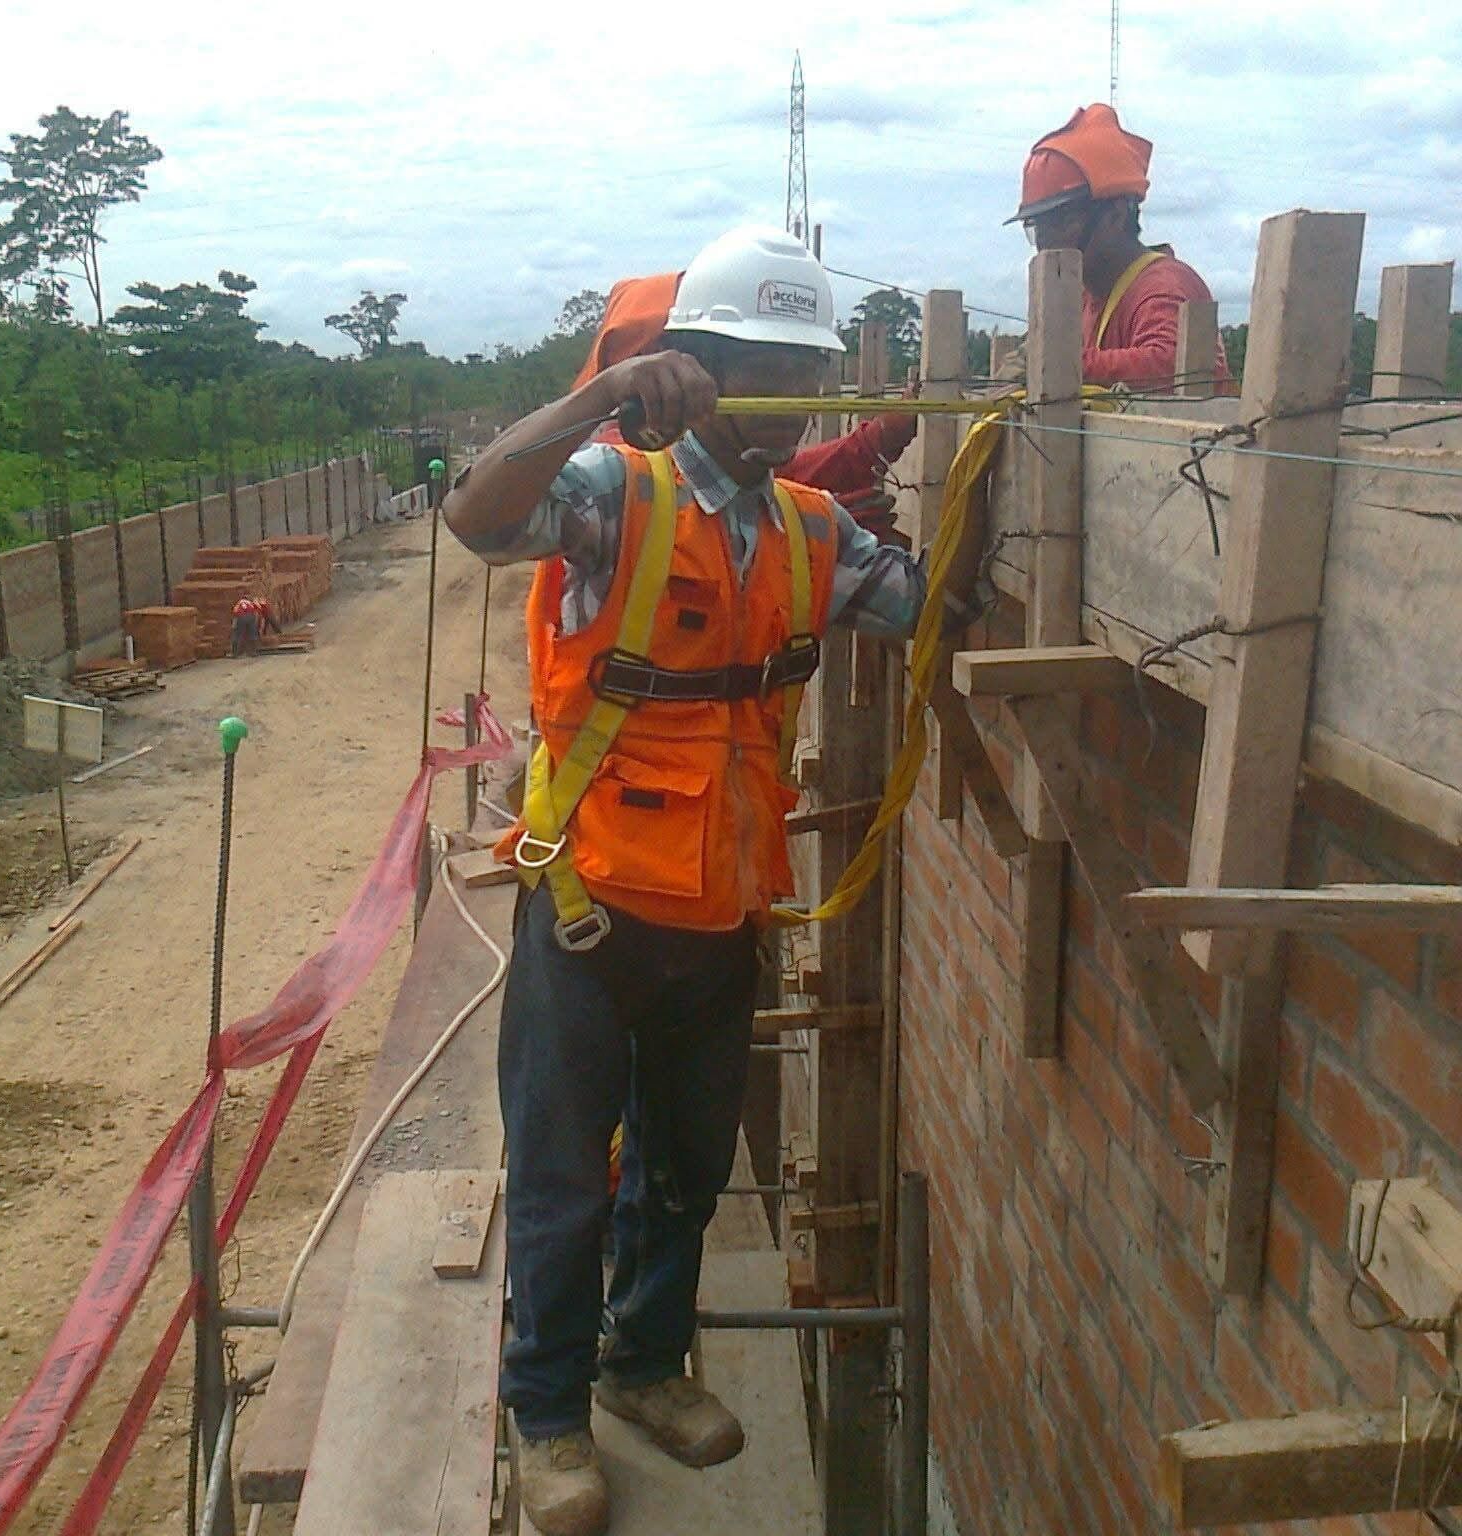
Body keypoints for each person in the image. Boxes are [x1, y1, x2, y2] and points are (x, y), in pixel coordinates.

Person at [444, 226, 984, 1536]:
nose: (791, 402)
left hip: (724, 908)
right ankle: (551, 1414)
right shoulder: (605, 492)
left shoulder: (811, 533)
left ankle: (640, 1367)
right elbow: (476, 514)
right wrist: (600, 394)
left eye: (809, 370)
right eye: (766, 368)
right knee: (569, 1171)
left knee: (684, 1167)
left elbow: (934, 606)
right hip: (592, 907)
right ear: (702, 366)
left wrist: (994, 450)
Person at [576, 271, 921, 541]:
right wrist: (805, 525)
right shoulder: (617, 471)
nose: (788, 395)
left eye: (804, 371)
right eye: (763, 369)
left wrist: (873, 442)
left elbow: (780, 470)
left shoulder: (719, 448)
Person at [1008, 103, 1234, 393]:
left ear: (1115, 215)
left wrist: (1058, 365)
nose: (1044, 242)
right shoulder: (1083, 298)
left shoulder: (1163, 286)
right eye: (1036, 226)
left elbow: (1171, 365)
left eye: (1062, 220)